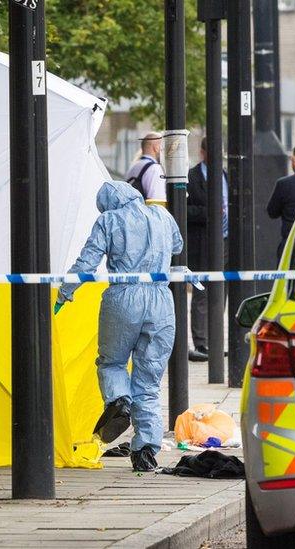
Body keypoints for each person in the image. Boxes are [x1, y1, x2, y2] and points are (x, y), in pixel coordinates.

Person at [57, 180, 183, 472]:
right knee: (149, 380)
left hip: (123, 296)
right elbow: (177, 245)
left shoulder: (109, 220)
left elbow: (86, 262)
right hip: (161, 299)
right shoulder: (163, 216)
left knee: (112, 362)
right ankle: (145, 451)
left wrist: (66, 292)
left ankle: (118, 401)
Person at [185, 137, 227, 363]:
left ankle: (215, 340)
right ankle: (201, 343)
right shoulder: (192, 177)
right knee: (201, 292)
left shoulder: (225, 175)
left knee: (222, 291)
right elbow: (183, 210)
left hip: (225, 240)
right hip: (202, 242)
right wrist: (208, 212)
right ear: (202, 153)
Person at [125, 132, 167, 206]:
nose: (164, 151)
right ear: (156, 147)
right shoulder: (154, 168)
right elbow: (158, 203)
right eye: (163, 147)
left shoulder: (134, 166)